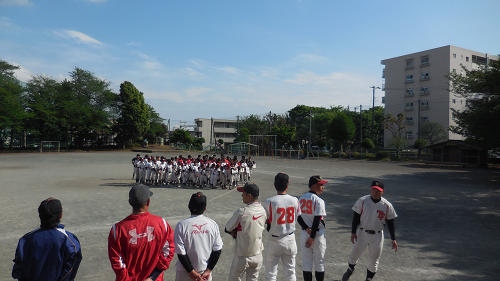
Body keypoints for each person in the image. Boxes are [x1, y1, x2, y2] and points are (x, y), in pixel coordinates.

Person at [108, 183, 175, 281]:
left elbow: (117, 262)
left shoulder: (117, 229)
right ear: (148, 201)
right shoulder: (162, 224)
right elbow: (168, 252)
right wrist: (152, 277)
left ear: (130, 202)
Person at [12, 197, 82, 281]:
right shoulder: (69, 240)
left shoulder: (26, 239)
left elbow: (19, 269)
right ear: (60, 215)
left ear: (40, 216)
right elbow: (70, 269)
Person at [341, 180, 398, 281]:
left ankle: (369, 278)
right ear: (370, 189)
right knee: (354, 254)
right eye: (373, 190)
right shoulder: (362, 201)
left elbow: (390, 222)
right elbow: (355, 218)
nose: (375, 192)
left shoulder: (386, 205)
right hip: (362, 233)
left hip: (377, 236)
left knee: (374, 259)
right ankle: (350, 269)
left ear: (382, 191)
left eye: (378, 191)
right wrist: (353, 232)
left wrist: (393, 239)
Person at [174, 192, 223, 281]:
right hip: (204, 274)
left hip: (184, 274)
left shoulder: (181, 225)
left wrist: (191, 272)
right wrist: (208, 270)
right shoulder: (212, 224)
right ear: (205, 208)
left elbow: (181, 253)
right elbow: (217, 250)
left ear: (189, 206)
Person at [225, 183, 267, 281]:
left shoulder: (242, 211)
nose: (242, 195)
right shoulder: (263, 210)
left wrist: (234, 232)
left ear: (249, 195)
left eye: (243, 193)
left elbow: (227, 228)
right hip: (257, 254)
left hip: (242, 255)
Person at [263, 173, 301, 281]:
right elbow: (298, 216)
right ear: (287, 185)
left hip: (275, 239)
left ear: (275, 185)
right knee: (290, 273)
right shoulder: (295, 200)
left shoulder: (269, 201)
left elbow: (266, 219)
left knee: (271, 274)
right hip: (290, 238)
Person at [297, 176, 328, 281]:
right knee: (319, 262)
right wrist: (312, 236)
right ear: (314, 186)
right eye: (321, 185)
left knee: (306, 263)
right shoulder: (319, 201)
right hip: (317, 235)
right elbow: (317, 219)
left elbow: (298, 217)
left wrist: (306, 228)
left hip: (304, 233)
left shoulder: (301, 198)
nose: (323, 187)